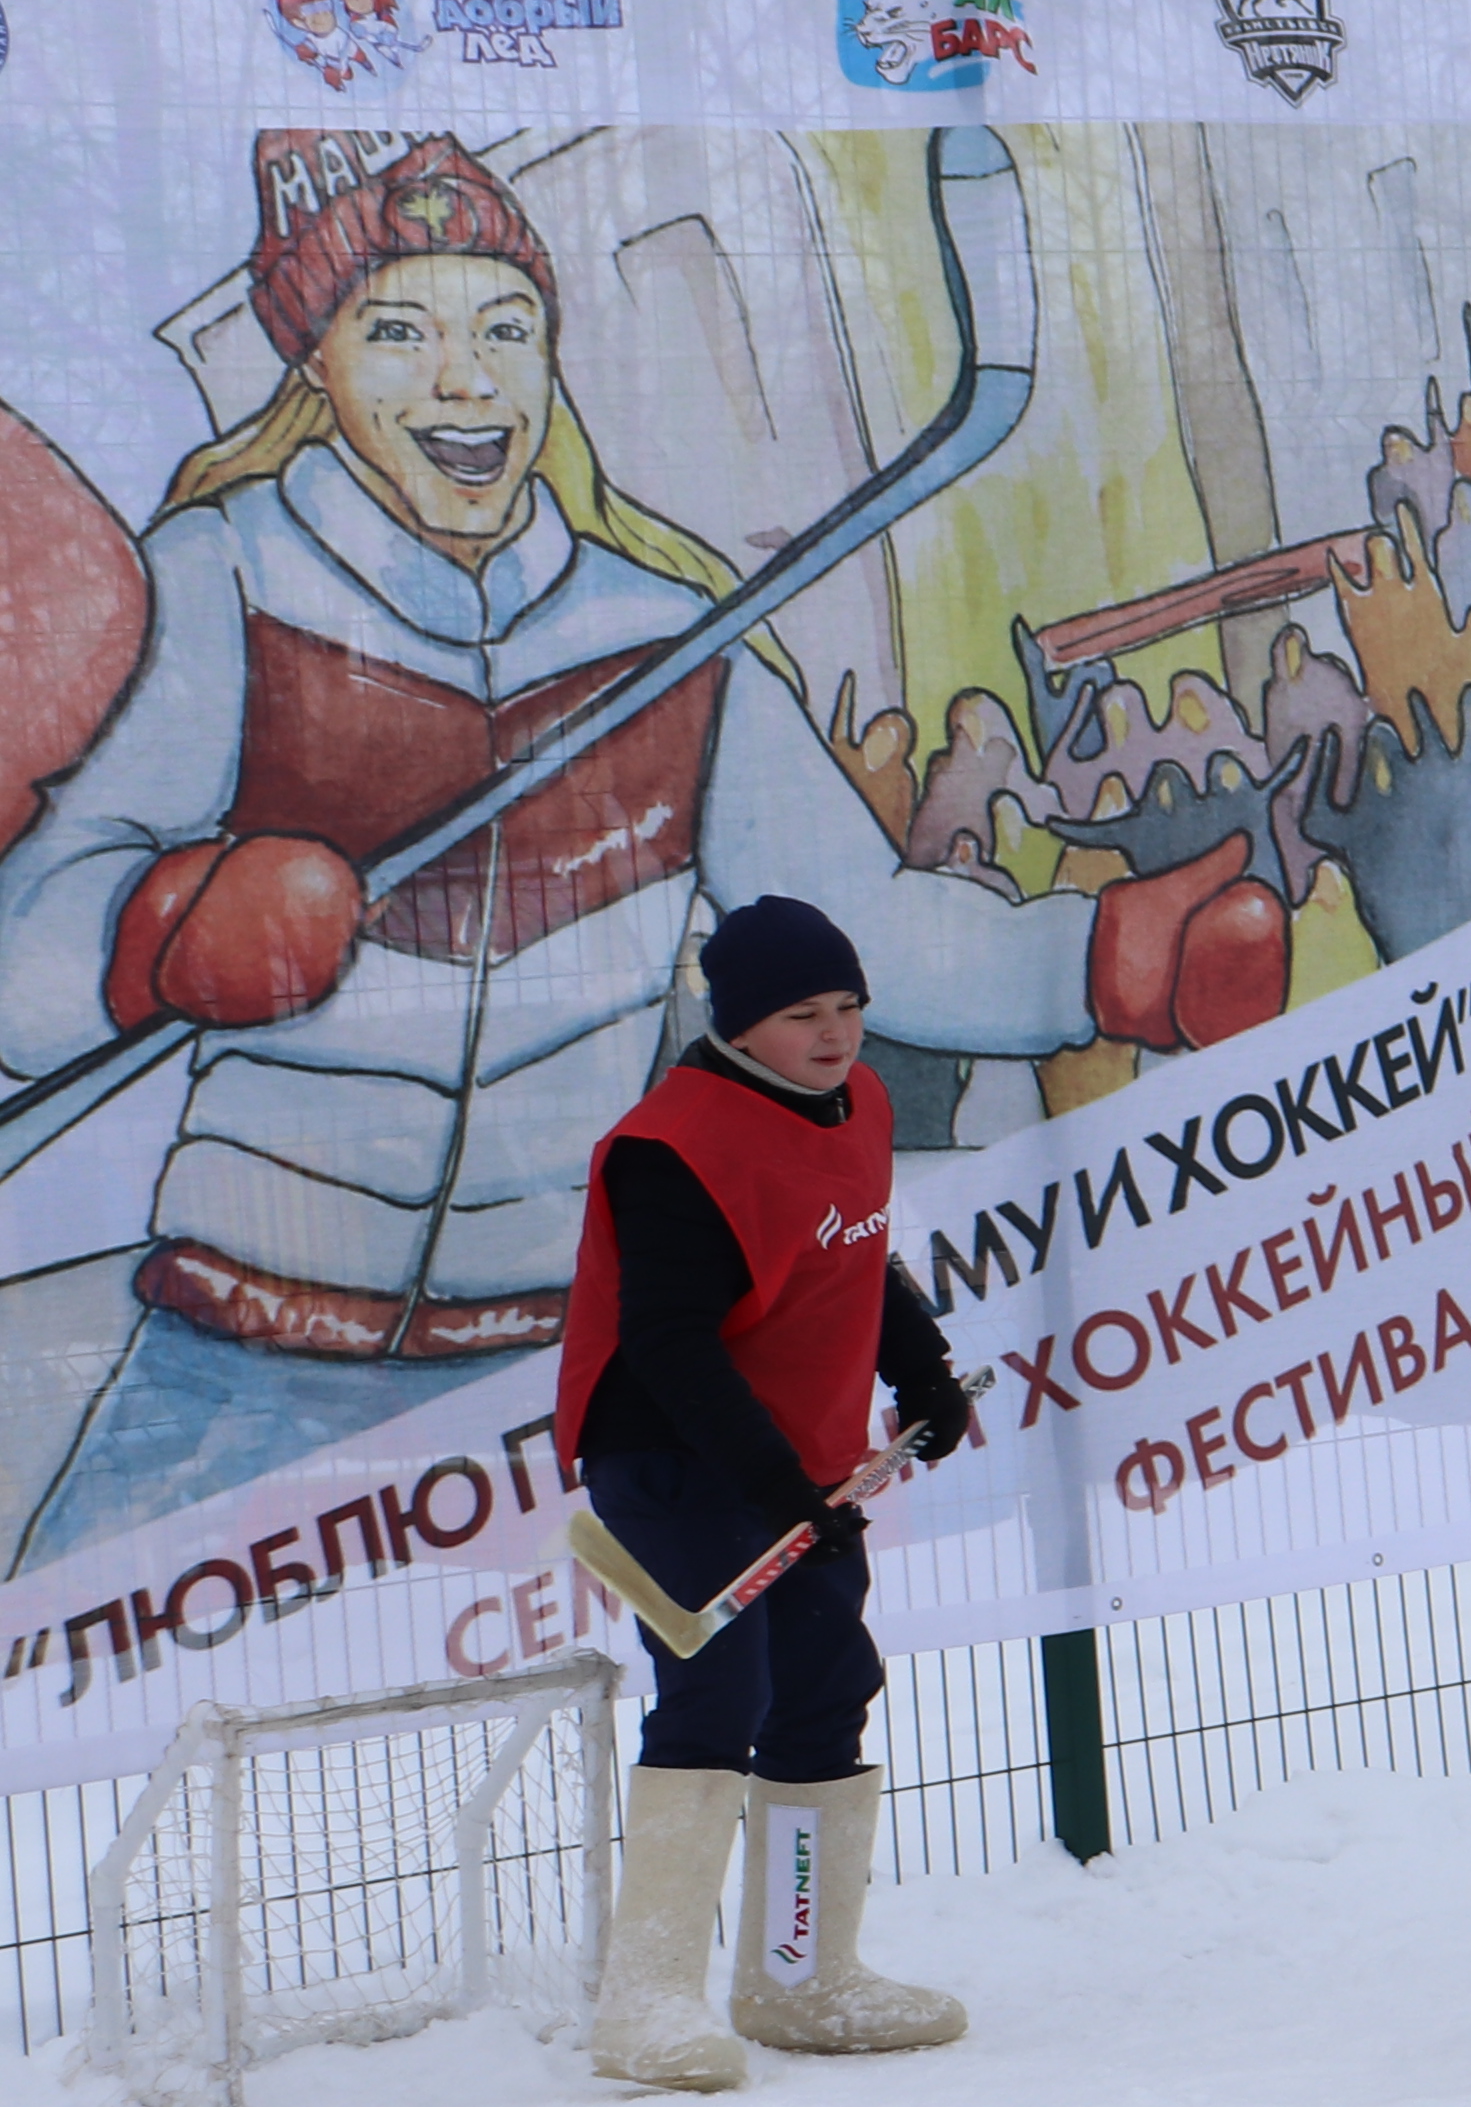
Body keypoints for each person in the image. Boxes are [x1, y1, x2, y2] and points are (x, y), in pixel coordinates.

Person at [0, 129, 1286, 1567]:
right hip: (239, 1353)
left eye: (507, 327)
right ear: (317, 366)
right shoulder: (226, 580)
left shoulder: (663, 631)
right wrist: (156, 932)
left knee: (623, 1708)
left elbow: (854, 918)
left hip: (560, 1368)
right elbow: (28, 959)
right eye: (399, 331)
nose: (468, 378)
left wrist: (1106, 962)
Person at [559, 896, 984, 2092]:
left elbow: (859, 1253)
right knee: (718, 1685)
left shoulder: (862, 1103)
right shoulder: (673, 1146)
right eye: (804, 1013)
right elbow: (670, 1343)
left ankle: (801, 1978)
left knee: (826, 1679)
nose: (836, 1031)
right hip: (671, 1457)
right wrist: (772, 1486)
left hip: (794, 1460)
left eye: (850, 1007)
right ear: (739, 1022)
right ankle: (644, 2003)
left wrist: (926, 1373)